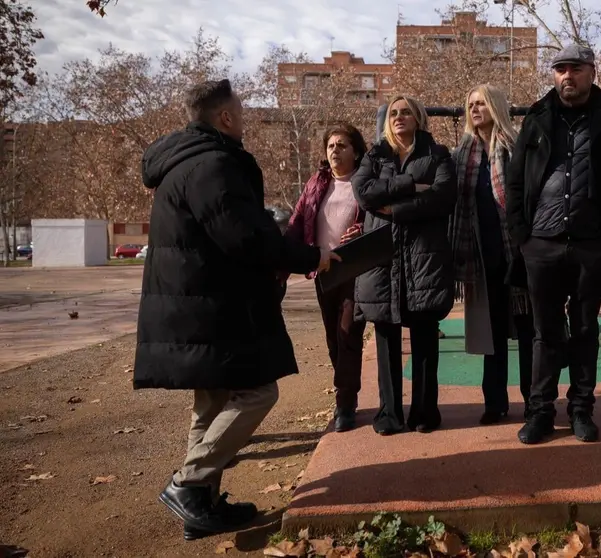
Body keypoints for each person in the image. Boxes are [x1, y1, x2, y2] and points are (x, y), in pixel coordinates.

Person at [134, 79, 336, 539]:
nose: (243, 119)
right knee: (258, 392)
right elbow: (245, 237)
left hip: (198, 304)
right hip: (214, 305)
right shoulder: (213, 164)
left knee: (211, 402)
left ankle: (201, 507)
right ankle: (189, 483)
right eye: (240, 112)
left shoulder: (182, 163)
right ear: (224, 117)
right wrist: (310, 256)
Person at [506, 44, 601, 445]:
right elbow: (515, 182)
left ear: (592, 72)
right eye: (560, 69)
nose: (567, 75)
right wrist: (522, 237)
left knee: (585, 328)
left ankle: (582, 410)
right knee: (544, 332)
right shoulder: (536, 117)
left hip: (592, 245)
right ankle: (540, 412)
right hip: (541, 244)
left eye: (575, 68)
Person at [352, 95, 457, 436]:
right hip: (382, 260)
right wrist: (410, 185)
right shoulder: (375, 155)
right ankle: (389, 414)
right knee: (385, 336)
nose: (399, 117)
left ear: (418, 118)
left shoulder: (437, 154)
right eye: (394, 113)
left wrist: (395, 209)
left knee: (425, 335)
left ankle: (425, 412)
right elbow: (364, 193)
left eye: (406, 112)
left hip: (424, 258)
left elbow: (442, 197)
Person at [450, 84, 535, 424]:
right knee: (493, 332)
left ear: (496, 106)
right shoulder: (462, 155)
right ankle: (495, 402)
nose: (475, 109)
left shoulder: (517, 148)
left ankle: (534, 401)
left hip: (519, 253)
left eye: (481, 103)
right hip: (482, 257)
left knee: (529, 331)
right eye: (470, 104)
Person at [284, 122, 369, 432]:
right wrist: (281, 260)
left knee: (348, 335)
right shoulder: (316, 183)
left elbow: (378, 219)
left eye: (342, 145)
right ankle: (345, 391)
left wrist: (362, 230)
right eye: (331, 145)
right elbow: (298, 221)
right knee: (333, 340)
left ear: (355, 152)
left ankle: (345, 403)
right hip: (322, 271)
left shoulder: (365, 182)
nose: (335, 150)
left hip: (353, 271)